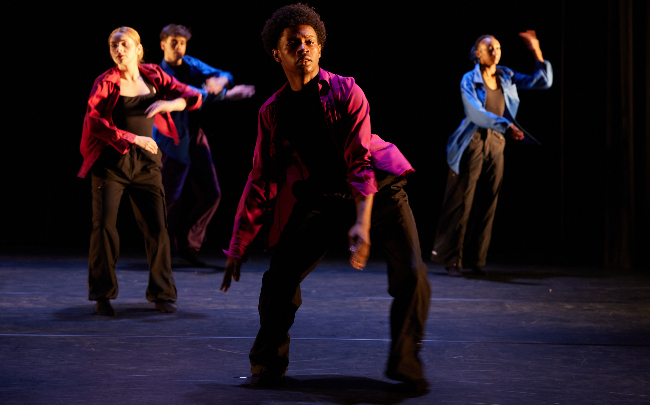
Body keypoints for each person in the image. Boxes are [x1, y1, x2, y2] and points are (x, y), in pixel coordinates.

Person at [219, 4, 431, 393]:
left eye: (310, 42)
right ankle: (268, 363)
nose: (304, 48)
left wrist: (362, 225)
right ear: (277, 53)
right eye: (294, 43)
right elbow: (261, 179)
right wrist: (237, 245)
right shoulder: (273, 111)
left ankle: (405, 362)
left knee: (413, 274)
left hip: (379, 191)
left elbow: (360, 163)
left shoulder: (347, 91)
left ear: (320, 48)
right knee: (280, 277)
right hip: (325, 196)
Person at [79, 27, 202, 316]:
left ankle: (161, 293)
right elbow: (94, 121)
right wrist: (134, 138)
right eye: (113, 45)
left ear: (138, 49)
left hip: (147, 165)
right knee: (105, 229)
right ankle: (102, 295)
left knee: (158, 229)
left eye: (124, 44)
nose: (118, 50)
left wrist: (169, 103)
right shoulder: (107, 81)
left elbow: (193, 96)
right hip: (111, 164)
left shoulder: (154, 76)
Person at [431, 31, 553, 277]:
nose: (495, 51)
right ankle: (453, 260)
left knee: (488, 202)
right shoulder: (469, 79)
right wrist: (506, 125)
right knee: (462, 202)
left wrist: (536, 51)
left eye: (497, 47)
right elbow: (475, 112)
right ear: (477, 53)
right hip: (472, 142)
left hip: (497, 143)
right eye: (489, 48)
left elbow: (543, 82)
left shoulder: (506, 75)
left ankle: (477, 260)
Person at [152, 24, 256, 267]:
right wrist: (225, 95)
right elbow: (188, 97)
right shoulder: (159, 73)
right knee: (170, 200)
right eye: (174, 42)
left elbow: (225, 75)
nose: (179, 48)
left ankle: (189, 244)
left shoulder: (190, 63)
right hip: (171, 139)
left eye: (183, 43)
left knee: (212, 193)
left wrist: (221, 80)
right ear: (163, 44)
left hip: (195, 136)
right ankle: (160, 251)